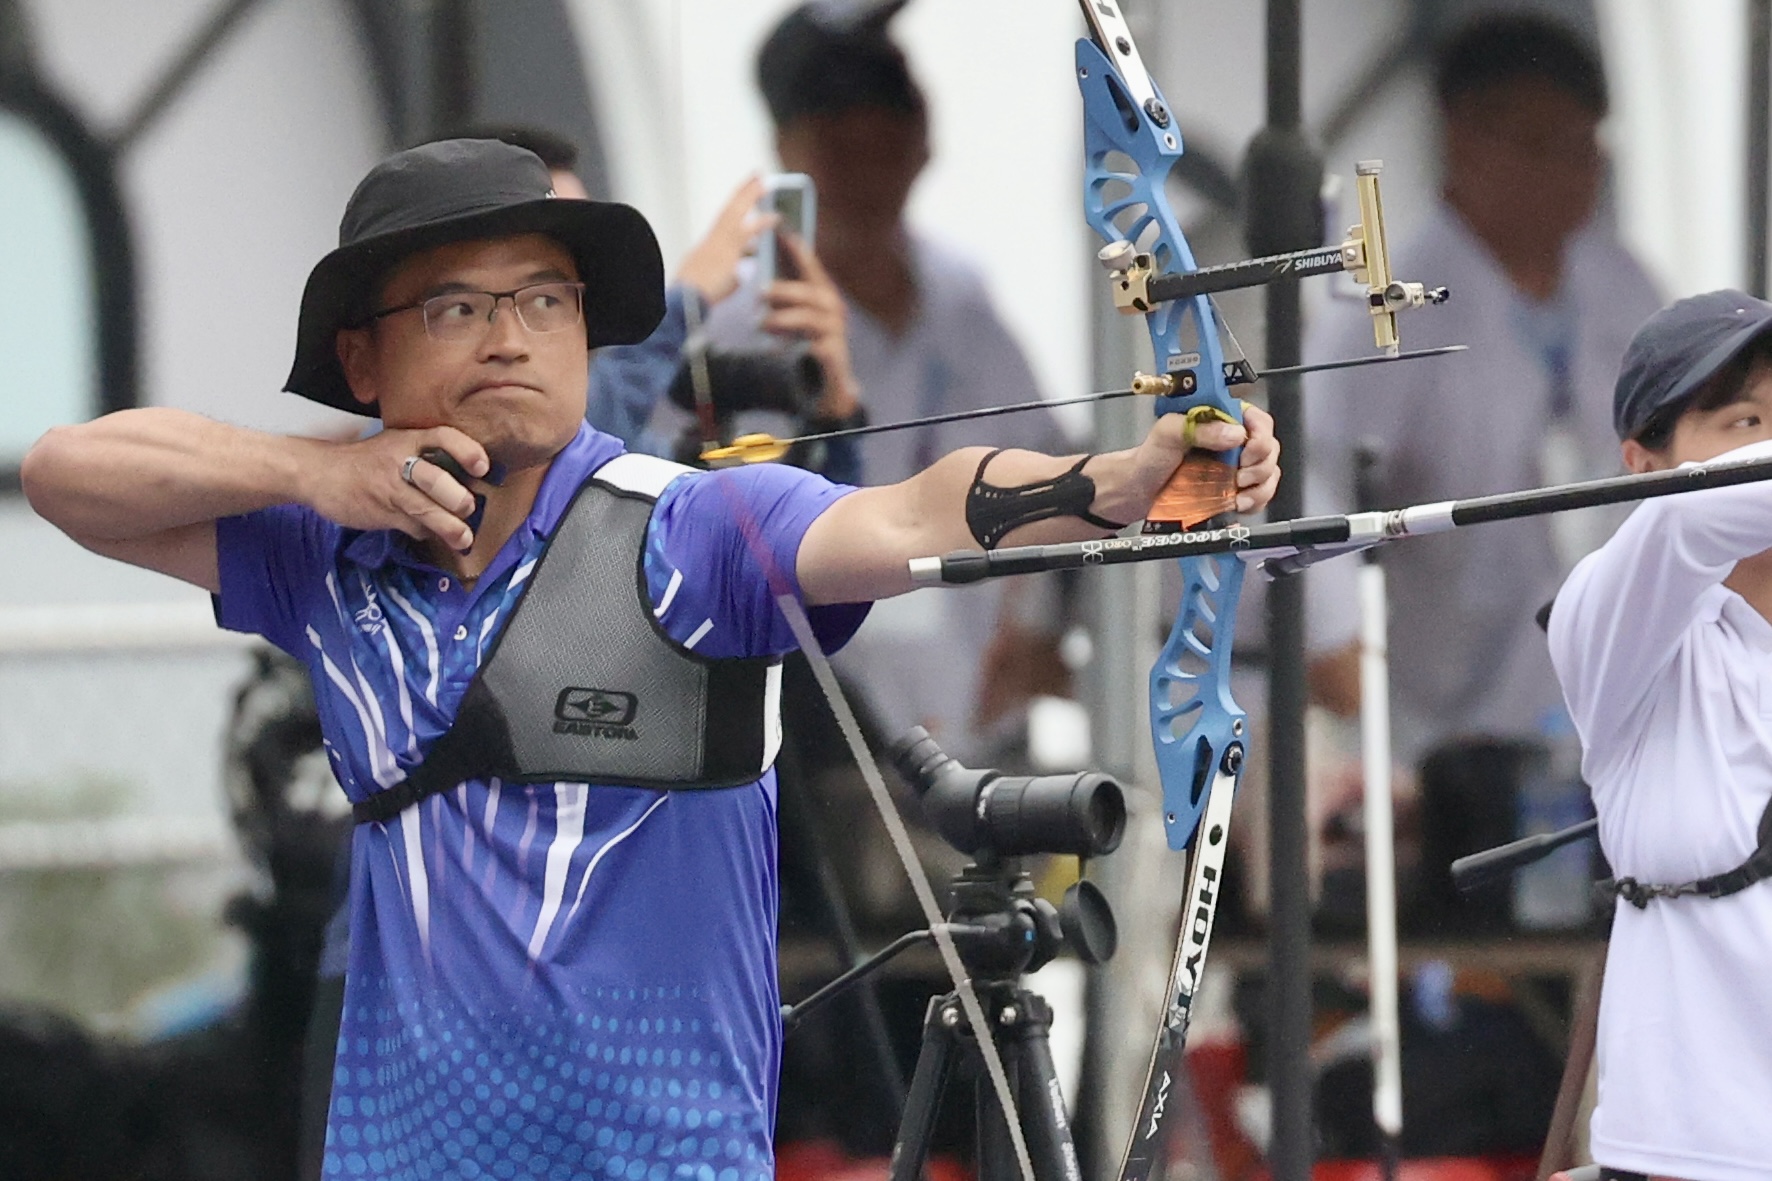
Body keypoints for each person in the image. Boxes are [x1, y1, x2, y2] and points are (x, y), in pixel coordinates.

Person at [19, 137, 1280, 1181]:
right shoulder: (328, 556)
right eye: (457, 306)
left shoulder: (692, 528)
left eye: (546, 301)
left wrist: (1114, 484)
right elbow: (69, 474)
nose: (511, 337)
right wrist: (317, 468)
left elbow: (906, 513)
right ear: (365, 359)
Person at [676, 0, 1071, 762]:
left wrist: (1038, 630)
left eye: (886, 147)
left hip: (981, 732)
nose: (865, 177)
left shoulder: (966, 301)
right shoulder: (738, 326)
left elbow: (1050, 461)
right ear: (790, 152)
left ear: (923, 148)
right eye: (839, 151)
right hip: (811, 746)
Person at [1303, 13, 1663, 762]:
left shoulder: (1623, 287)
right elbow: (1311, 480)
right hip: (1451, 728)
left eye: (1584, 148)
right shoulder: (1390, 304)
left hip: (1613, 707)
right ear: (1464, 138)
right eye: (1542, 145)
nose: (1569, 174)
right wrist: (1338, 646)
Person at [1547, 288, 1772, 1181]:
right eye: (1745, 419)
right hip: (1692, 1154)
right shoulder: (1611, 619)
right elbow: (1692, 519)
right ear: (1642, 466)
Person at [470, 124, 862, 466]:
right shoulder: (433, 465)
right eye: (545, 281)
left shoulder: (626, 453)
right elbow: (585, 426)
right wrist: (686, 300)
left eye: (586, 253)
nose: (587, 281)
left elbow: (774, 537)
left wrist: (833, 411)